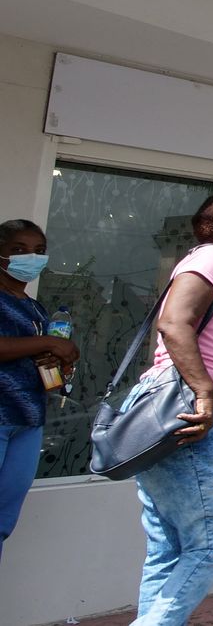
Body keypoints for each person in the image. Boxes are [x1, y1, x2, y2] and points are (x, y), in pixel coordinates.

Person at [128, 192, 213, 624]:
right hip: (191, 411)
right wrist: (207, 394)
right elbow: (173, 323)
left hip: (199, 412)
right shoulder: (211, 258)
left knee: (170, 547)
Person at [1, 219, 78, 564]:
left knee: (3, 520)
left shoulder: (35, 308)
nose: (30, 257)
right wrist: (47, 342)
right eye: (19, 250)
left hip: (28, 421)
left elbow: (40, 360)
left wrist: (60, 365)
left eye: (38, 251)